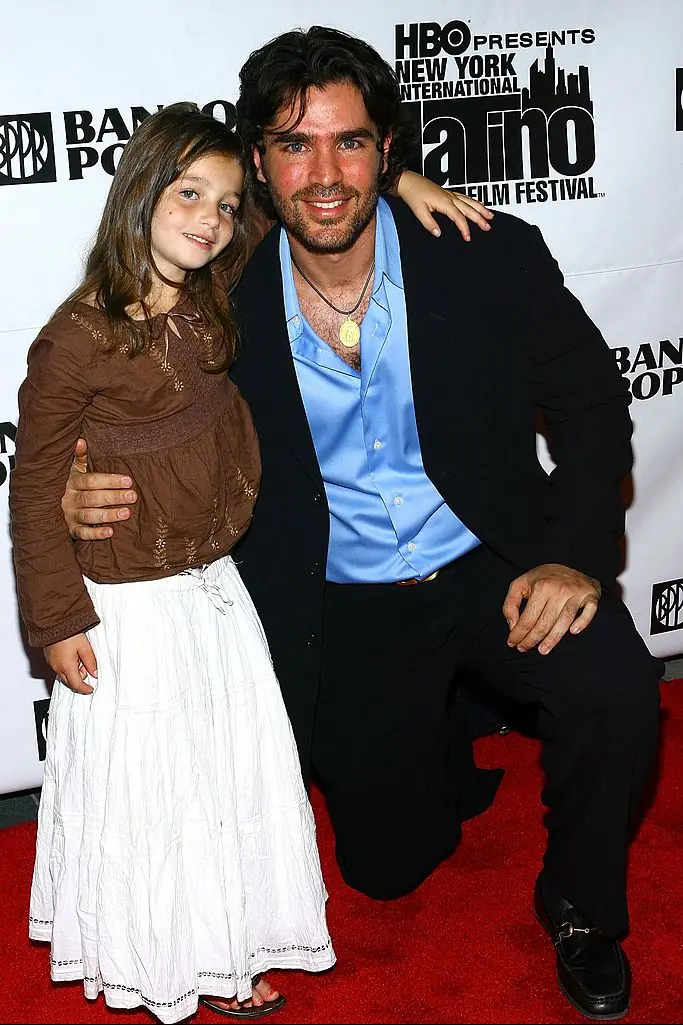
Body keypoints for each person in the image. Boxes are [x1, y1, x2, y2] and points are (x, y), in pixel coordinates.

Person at [60, 27, 663, 1023]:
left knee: (616, 687)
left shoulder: (482, 256)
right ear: (256, 162)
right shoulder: (214, 295)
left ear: (389, 149)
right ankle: (440, 744)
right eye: (295, 146)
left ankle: (580, 907)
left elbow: (595, 407)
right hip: (340, 602)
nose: (325, 174)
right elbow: (108, 399)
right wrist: (81, 490)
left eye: (350, 142)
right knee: (390, 867)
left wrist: (572, 553)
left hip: (490, 565)